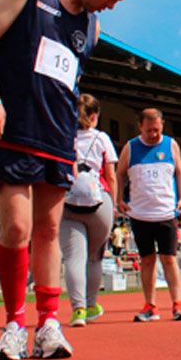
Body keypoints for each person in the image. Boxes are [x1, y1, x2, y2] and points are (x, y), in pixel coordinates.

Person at [0, 0, 136, 360]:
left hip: (58, 137)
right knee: (17, 227)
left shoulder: (91, 27)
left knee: (47, 230)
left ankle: (48, 324)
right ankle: (13, 324)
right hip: (14, 127)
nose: (110, 6)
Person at [117, 109, 181, 322]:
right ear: (140, 126)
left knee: (169, 259)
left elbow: (180, 172)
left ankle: (178, 304)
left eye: (157, 130)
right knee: (147, 260)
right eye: (149, 130)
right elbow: (119, 173)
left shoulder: (170, 145)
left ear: (162, 126)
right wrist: (120, 198)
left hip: (165, 211)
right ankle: (150, 305)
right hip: (140, 214)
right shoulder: (130, 147)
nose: (153, 134)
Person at [59, 93, 118, 327]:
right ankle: (92, 304)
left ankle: (78, 310)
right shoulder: (102, 138)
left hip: (69, 200)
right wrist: (114, 206)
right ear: (95, 116)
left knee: (73, 258)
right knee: (94, 258)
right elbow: (111, 176)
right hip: (98, 200)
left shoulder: (65, 137)